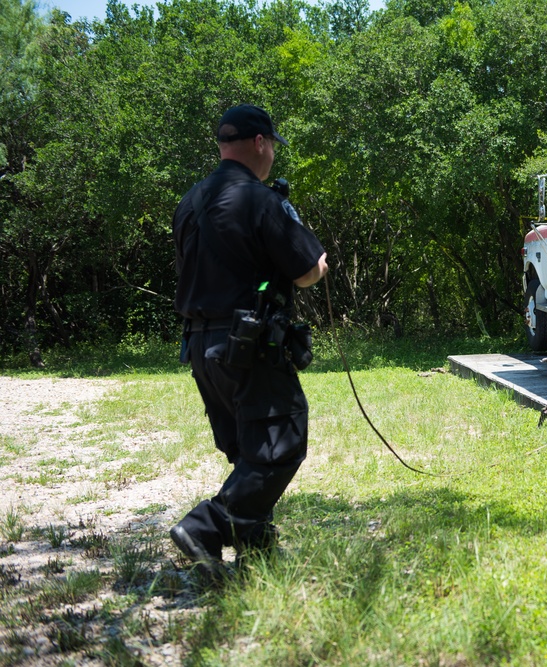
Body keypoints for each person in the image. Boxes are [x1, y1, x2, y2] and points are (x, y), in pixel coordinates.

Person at [171, 104, 328, 580]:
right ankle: (207, 526)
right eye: (273, 147)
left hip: (202, 348)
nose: (274, 157)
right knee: (282, 442)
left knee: (250, 451)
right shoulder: (260, 200)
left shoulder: (189, 202)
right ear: (260, 143)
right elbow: (306, 273)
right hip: (249, 346)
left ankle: (257, 554)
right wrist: (316, 256)